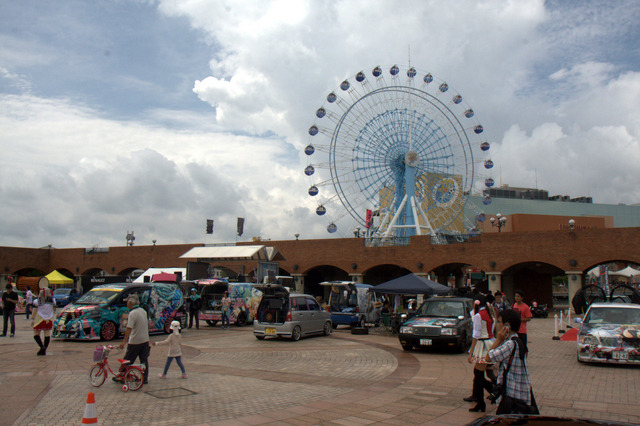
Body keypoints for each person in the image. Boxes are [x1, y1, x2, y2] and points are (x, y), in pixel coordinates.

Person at [486, 309, 538, 414]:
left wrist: (498, 339)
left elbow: (488, 357)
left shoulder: (510, 345)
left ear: (507, 326)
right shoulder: (518, 341)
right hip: (520, 394)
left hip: (511, 395)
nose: (497, 324)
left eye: (499, 322)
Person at [465, 295, 495, 412]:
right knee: (478, 374)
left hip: (482, 345)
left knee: (478, 375)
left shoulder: (478, 316)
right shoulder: (489, 314)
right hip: (488, 343)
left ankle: (492, 391)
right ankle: (481, 401)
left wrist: (471, 352)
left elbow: (476, 335)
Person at [117, 294, 150, 384]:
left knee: (127, 359)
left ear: (131, 302)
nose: (126, 304)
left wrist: (124, 341)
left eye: (127, 302)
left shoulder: (132, 313)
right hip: (145, 340)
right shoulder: (143, 311)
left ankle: (122, 375)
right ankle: (145, 378)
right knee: (144, 361)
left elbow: (129, 328)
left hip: (135, 341)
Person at [32, 281, 55, 355]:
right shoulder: (53, 301)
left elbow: (34, 310)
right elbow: (54, 308)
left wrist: (32, 319)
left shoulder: (37, 301)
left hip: (39, 318)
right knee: (47, 333)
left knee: (36, 334)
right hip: (49, 318)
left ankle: (42, 347)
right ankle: (44, 348)